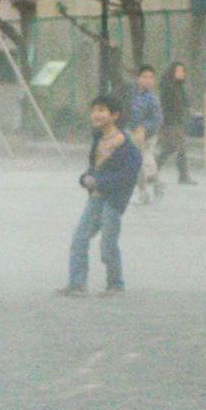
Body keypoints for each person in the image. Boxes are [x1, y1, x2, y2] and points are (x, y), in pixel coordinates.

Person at [57, 93, 142, 297]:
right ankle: (77, 284)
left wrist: (99, 181)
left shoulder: (127, 146)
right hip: (96, 197)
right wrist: (85, 178)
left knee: (108, 243)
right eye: (94, 110)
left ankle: (115, 284)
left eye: (102, 110)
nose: (96, 114)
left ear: (114, 115)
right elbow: (94, 167)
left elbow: (128, 176)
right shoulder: (98, 138)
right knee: (79, 238)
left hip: (114, 200)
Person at [127, 64, 163, 203]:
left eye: (151, 78)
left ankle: (156, 183)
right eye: (144, 77)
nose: (148, 80)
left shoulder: (152, 99)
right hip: (132, 133)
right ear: (138, 79)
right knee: (136, 165)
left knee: (146, 162)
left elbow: (157, 119)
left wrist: (144, 130)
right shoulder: (131, 94)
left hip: (147, 137)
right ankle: (145, 191)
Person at [158, 61, 196, 185]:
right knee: (180, 148)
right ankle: (183, 176)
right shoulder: (168, 87)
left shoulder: (179, 87)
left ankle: (152, 170)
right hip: (170, 122)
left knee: (169, 148)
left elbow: (185, 103)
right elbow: (167, 106)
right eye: (178, 71)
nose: (181, 74)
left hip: (178, 122)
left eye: (183, 71)